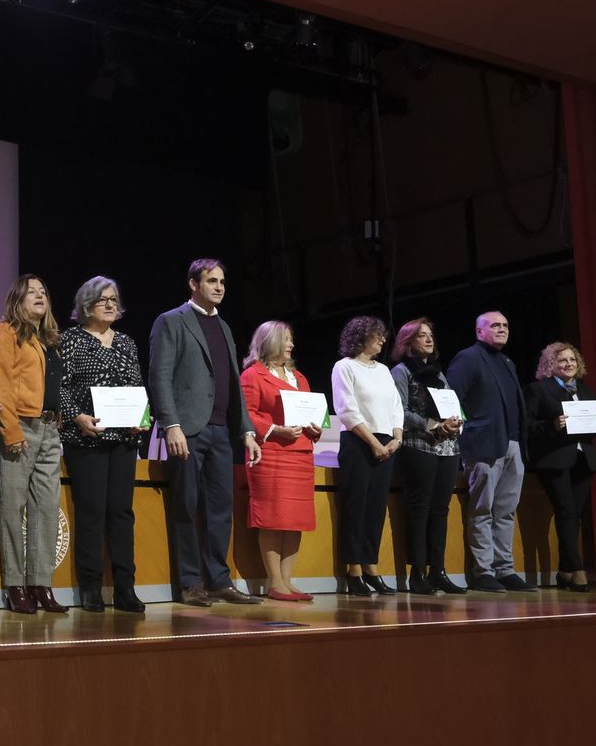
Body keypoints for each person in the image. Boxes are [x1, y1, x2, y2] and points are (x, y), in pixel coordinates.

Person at [146, 259, 263, 607]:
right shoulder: (172, 321)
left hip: (221, 432)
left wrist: (246, 430)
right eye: (211, 281)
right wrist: (172, 425)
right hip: (188, 430)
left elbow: (232, 384)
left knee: (220, 508)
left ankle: (219, 580)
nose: (219, 287)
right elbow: (160, 377)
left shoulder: (224, 327)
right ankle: (190, 583)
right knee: (186, 505)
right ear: (193, 284)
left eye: (223, 282)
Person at [58, 277, 148, 613]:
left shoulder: (126, 342)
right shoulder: (70, 340)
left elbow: (136, 385)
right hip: (87, 438)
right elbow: (61, 387)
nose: (110, 305)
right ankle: (91, 588)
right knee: (92, 513)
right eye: (102, 300)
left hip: (125, 439)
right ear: (85, 305)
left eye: (113, 299)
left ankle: (125, 587)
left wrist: (142, 415)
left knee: (122, 514)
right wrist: (77, 416)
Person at [0, 274, 68, 615]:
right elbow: (0, 384)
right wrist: (10, 431)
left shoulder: (50, 338)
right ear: (17, 301)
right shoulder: (5, 333)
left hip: (50, 429)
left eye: (43, 291)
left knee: (47, 510)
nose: (39, 296)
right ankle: (16, 586)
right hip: (19, 425)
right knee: (11, 510)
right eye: (31, 292)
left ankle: (41, 585)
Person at [446, 311, 536, 593]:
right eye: (495, 325)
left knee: (506, 511)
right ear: (479, 331)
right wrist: (465, 432)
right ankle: (483, 571)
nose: (502, 329)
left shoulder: (507, 361)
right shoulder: (469, 358)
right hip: (483, 445)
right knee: (483, 509)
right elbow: (451, 399)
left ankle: (504, 569)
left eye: (506, 325)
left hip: (512, 445)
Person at [238, 321, 322, 601]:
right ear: (270, 341)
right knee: (273, 518)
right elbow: (247, 414)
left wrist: (315, 428)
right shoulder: (253, 375)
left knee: (295, 519)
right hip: (271, 453)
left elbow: (313, 413)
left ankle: (288, 581)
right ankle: (274, 582)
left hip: (300, 454)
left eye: (291, 339)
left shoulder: (299, 377)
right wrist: (276, 430)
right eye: (286, 339)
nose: (291, 344)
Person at [524, 342, 596, 592]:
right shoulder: (538, 390)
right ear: (550, 365)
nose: (569, 364)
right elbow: (528, 425)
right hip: (553, 460)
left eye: (572, 360)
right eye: (562, 360)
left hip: (583, 460)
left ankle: (564, 571)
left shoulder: (585, 390)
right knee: (566, 512)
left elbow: (595, 429)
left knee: (573, 516)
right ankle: (578, 570)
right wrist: (552, 425)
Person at [390, 318, 466, 595]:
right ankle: (417, 573)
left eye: (431, 335)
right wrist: (431, 424)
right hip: (417, 445)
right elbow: (398, 409)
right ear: (407, 341)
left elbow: (453, 405)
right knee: (419, 509)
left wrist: (456, 422)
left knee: (440, 510)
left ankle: (439, 571)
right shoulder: (400, 372)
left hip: (447, 448)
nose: (429, 339)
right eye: (422, 335)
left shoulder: (438, 373)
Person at [332, 317, 405, 596]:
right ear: (360, 337)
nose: (383, 340)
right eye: (377, 335)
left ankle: (371, 566)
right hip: (360, 441)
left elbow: (396, 406)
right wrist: (374, 443)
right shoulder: (345, 367)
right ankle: (353, 570)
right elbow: (347, 409)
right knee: (356, 506)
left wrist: (396, 438)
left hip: (387, 443)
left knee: (376, 508)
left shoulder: (384, 370)